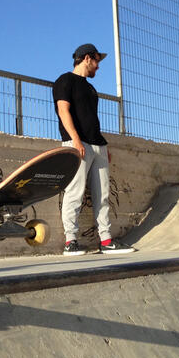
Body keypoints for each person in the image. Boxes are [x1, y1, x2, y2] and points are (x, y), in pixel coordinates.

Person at [53, 43, 135, 256]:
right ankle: (70, 242)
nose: (98, 67)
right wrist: (76, 140)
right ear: (87, 58)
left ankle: (106, 241)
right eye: (97, 61)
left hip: (98, 145)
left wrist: (102, 144)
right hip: (76, 145)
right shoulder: (64, 80)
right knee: (75, 193)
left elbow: (92, 119)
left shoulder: (90, 88)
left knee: (103, 195)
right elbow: (63, 111)